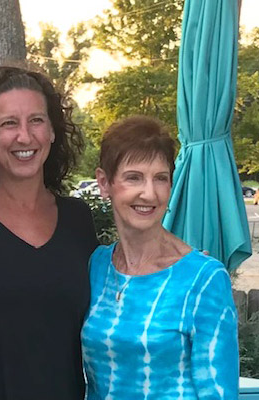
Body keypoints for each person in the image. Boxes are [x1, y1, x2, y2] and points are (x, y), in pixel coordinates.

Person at [0, 65, 98, 399]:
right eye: (8, 123)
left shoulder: (78, 220)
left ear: (53, 132)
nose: (24, 136)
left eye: (36, 121)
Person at [81, 115, 239, 399]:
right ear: (104, 183)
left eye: (161, 178)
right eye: (134, 177)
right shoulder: (97, 266)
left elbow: (219, 392)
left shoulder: (203, 280)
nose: (149, 193)